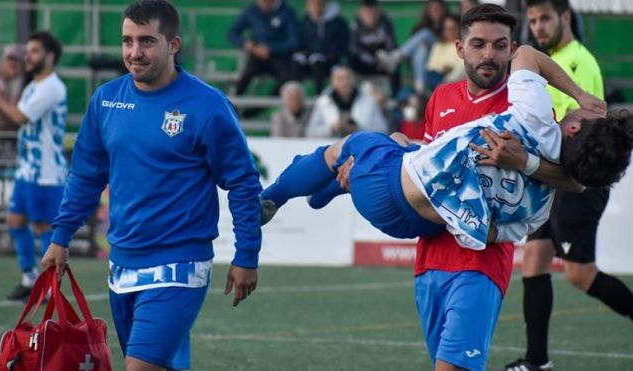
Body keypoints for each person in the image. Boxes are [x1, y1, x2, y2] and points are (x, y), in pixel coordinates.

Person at [333, 4, 592, 370]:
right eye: (479, 44)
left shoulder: (526, 105)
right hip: (429, 259)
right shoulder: (441, 97)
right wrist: (379, 159)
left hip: (481, 261)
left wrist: (524, 162)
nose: (489, 54)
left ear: (512, 49)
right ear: (460, 48)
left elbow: (576, 181)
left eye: (500, 45)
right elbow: (428, 164)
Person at [41, 1, 262, 370]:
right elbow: (86, 175)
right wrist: (61, 236)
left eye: (146, 41)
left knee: (140, 367)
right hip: (123, 263)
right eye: (127, 41)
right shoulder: (107, 100)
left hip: (181, 263)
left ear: (173, 45)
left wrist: (247, 254)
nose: (134, 52)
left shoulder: (207, 106)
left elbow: (242, 182)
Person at [260, 45, 630, 257]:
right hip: (411, 226)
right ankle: (337, 186)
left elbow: (528, 54)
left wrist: (580, 94)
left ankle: (273, 197)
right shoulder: (540, 209)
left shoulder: (534, 116)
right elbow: (487, 236)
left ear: (576, 126)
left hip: (386, 186)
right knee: (402, 143)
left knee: (343, 149)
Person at [503, 1, 633, 370]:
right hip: (551, 176)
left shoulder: (578, 61)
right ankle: (537, 361)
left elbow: (585, 130)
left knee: (579, 273)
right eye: (532, 21)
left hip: (578, 179)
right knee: (534, 260)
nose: (538, 27)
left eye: (544, 18)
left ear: (564, 17)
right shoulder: (549, 62)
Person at [0, 32, 67, 302]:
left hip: (45, 173)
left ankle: (48, 287)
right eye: (27, 51)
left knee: (41, 227)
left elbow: (20, 115)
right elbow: (19, 121)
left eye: (34, 51)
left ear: (50, 56)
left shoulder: (52, 86)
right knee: (15, 222)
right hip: (27, 170)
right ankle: (29, 279)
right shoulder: (34, 86)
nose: (28, 56)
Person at [227, 0, 300, 96]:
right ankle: (233, 104)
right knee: (247, 74)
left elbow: (295, 42)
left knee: (287, 77)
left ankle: (256, 110)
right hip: (257, 57)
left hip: (280, 58)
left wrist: (271, 48)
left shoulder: (287, 12)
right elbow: (232, 33)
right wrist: (247, 44)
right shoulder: (252, 10)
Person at [376, 0, 448, 95]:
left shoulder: (448, 24)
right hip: (424, 61)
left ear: (443, 9)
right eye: (432, 9)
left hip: (441, 56)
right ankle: (420, 87)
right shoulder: (421, 26)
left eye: (437, 9)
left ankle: (395, 57)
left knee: (425, 33)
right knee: (421, 49)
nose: (435, 11)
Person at [305, 66, 387, 138]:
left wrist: (358, 128)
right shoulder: (322, 102)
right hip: (332, 148)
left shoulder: (369, 100)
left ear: (354, 79)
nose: (345, 83)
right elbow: (310, 132)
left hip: (361, 148)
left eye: (348, 78)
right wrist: (332, 128)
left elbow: (382, 129)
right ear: (332, 81)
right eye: (340, 79)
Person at [293, 0, 350, 94]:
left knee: (317, 61)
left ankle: (319, 96)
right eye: (311, 4)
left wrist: (329, 53)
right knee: (297, 60)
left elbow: (343, 45)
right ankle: (295, 94)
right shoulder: (305, 21)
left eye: (317, 4)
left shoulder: (338, 22)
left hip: (329, 61)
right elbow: (300, 43)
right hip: (309, 60)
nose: (314, 7)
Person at [348, 0, 400, 95]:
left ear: (378, 11)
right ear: (362, 13)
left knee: (394, 63)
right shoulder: (356, 25)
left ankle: (396, 96)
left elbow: (391, 44)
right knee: (351, 59)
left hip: (383, 62)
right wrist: (373, 61)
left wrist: (383, 59)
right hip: (366, 62)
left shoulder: (385, 22)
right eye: (367, 13)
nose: (370, 16)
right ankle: (352, 95)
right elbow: (355, 48)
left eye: (373, 13)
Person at [425, 14, 465, 90]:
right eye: (446, 29)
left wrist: (451, 68)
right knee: (430, 75)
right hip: (438, 75)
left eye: (452, 29)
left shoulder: (463, 45)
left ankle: (443, 87)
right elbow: (431, 66)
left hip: (456, 77)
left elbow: (463, 65)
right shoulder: (438, 45)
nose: (449, 32)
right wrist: (443, 69)